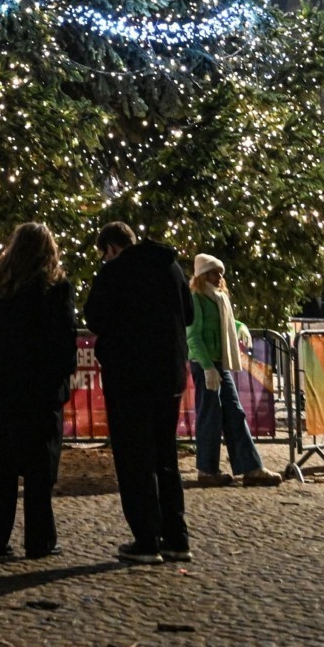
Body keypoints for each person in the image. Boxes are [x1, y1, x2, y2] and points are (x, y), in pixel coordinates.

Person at [0, 223, 78, 559]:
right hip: (39, 389)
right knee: (39, 468)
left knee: (0, 465)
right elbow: (63, 340)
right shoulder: (55, 288)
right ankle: (39, 539)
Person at [82, 223, 192, 565]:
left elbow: (94, 317)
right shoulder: (171, 266)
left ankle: (146, 540)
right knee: (165, 457)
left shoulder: (115, 272)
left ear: (112, 248)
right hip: (169, 375)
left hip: (130, 378)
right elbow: (187, 314)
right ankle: (176, 537)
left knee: (134, 460)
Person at [187, 255, 276, 485]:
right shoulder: (196, 298)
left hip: (220, 363)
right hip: (205, 363)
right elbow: (193, 335)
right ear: (202, 275)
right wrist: (207, 367)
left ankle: (251, 467)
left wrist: (240, 326)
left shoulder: (219, 298)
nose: (218, 277)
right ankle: (207, 470)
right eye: (213, 273)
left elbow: (225, 323)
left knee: (234, 412)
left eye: (219, 273)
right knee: (209, 415)